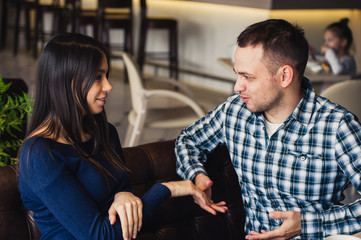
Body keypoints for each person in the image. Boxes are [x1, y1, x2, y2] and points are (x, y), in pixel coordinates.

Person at [18, 33, 227, 240]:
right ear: (67, 81)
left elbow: (122, 192)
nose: (108, 86)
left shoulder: (105, 132)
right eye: (98, 77)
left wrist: (123, 194)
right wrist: (167, 188)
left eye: (106, 75)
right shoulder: (40, 154)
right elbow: (101, 234)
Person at [175, 19, 361, 239]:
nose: (237, 86)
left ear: (284, 76)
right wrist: (197, 175)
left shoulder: (337, 126)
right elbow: (187, 140)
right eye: (237, 74)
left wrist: (309, 224)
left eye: (247, 77)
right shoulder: (234, 111)